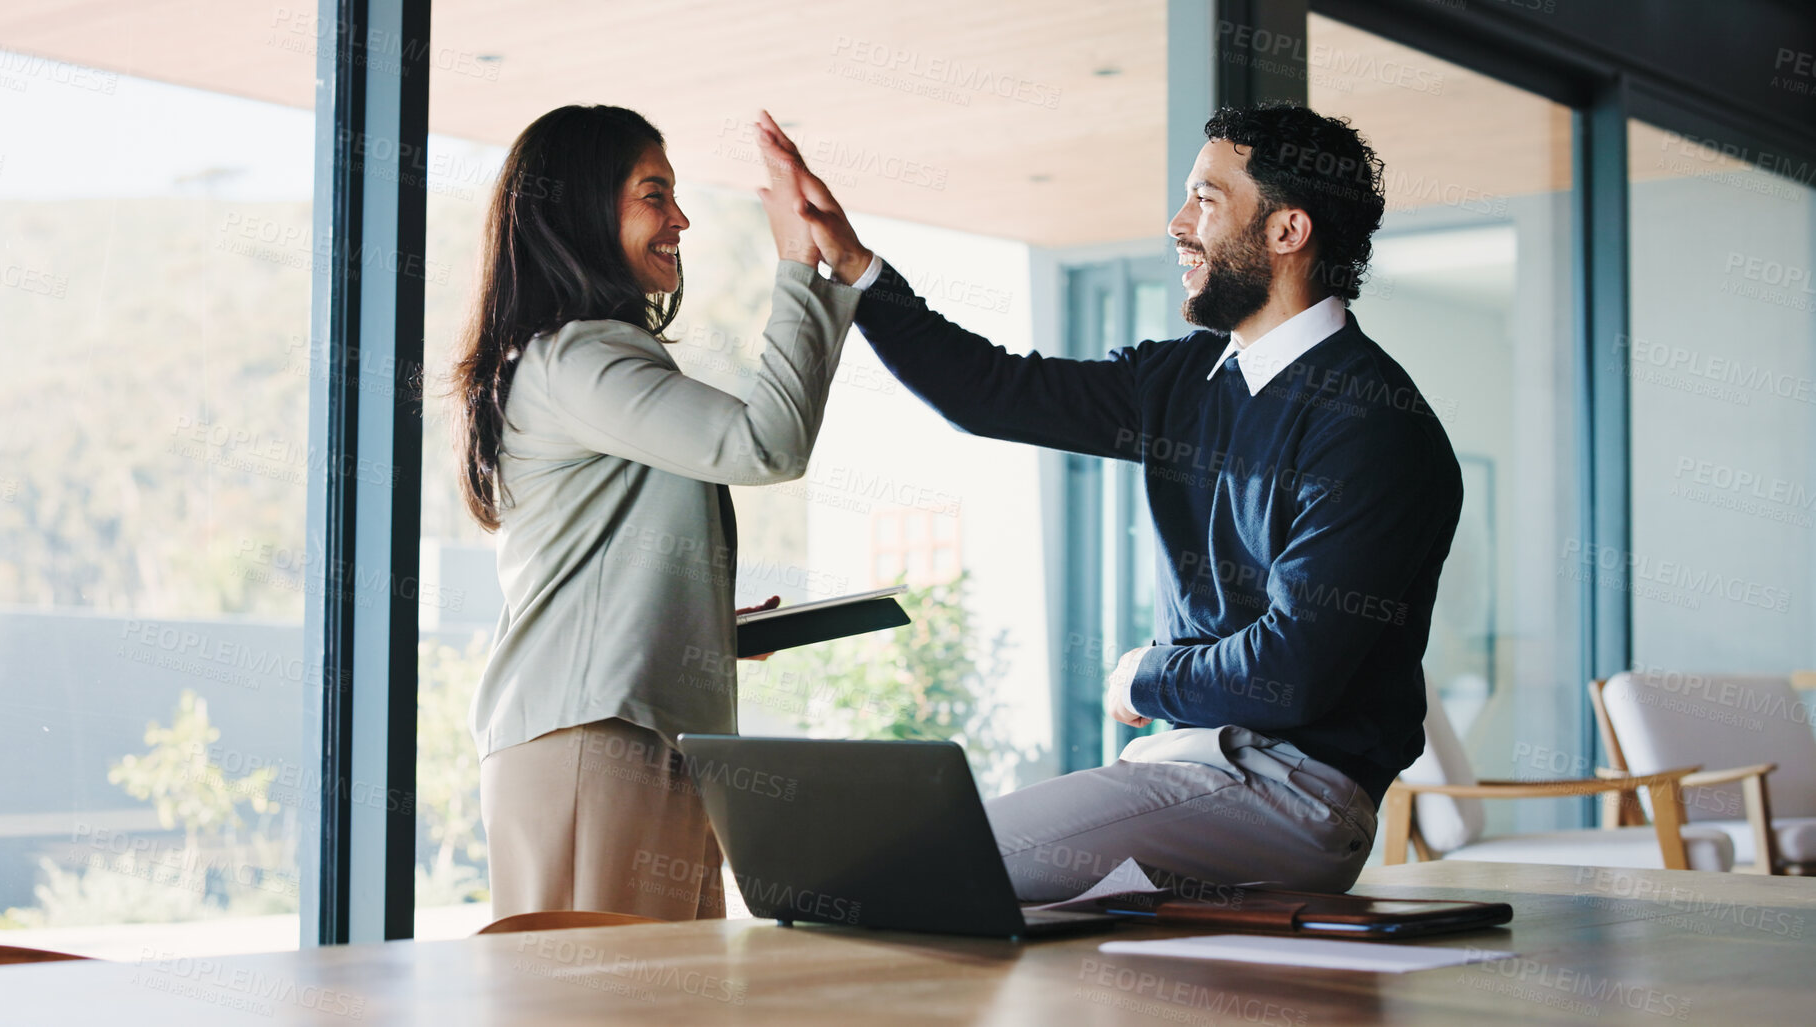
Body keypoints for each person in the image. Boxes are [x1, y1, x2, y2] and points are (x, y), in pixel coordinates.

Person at [767, 103, 1462, 898]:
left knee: (926, 864)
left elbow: (1291, 673)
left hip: (1291, 794)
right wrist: (856, 266)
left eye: (1205, 198)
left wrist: (1143, 674)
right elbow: (987, 392)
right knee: (948, 887)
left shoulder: (1373, 426)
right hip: (1181, 766)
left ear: (1286, 232)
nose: (1176, 222)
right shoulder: (1183, 379)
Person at [447, 105, 877, 919]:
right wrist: (795, 260)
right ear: (581, 207)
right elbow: (765, 442)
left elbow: (607, 549)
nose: (680, 219)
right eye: (654, 194)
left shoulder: (571, 355)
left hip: (629, 731)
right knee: (600, 1001)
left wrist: (700, 622)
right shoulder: (578, 356)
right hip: (593, 737)